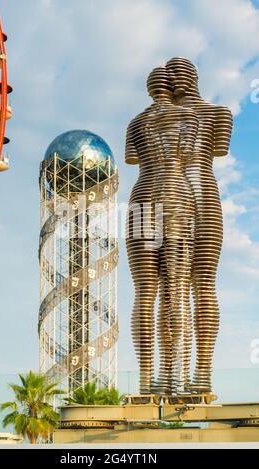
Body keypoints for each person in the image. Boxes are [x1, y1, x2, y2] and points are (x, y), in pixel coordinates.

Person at [125, 66, 198, 394]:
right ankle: (176, 377)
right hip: (175, 194)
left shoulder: (135, 123)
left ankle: (145, 379)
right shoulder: (188, 118)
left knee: (144, 291)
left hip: (141, 197)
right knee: (176, 288)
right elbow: (188, 155)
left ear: (148, 88)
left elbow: (131, 159)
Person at [166, 57, 233, 393]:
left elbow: (217, 150)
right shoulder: (169, 119)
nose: (175, 79)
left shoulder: (219, 113)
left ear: (193, 76)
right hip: (183, 195)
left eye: (180, 72)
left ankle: (199, 374)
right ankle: (175, 376)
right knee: (173, 288)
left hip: (195, 193)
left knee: (200, 283)